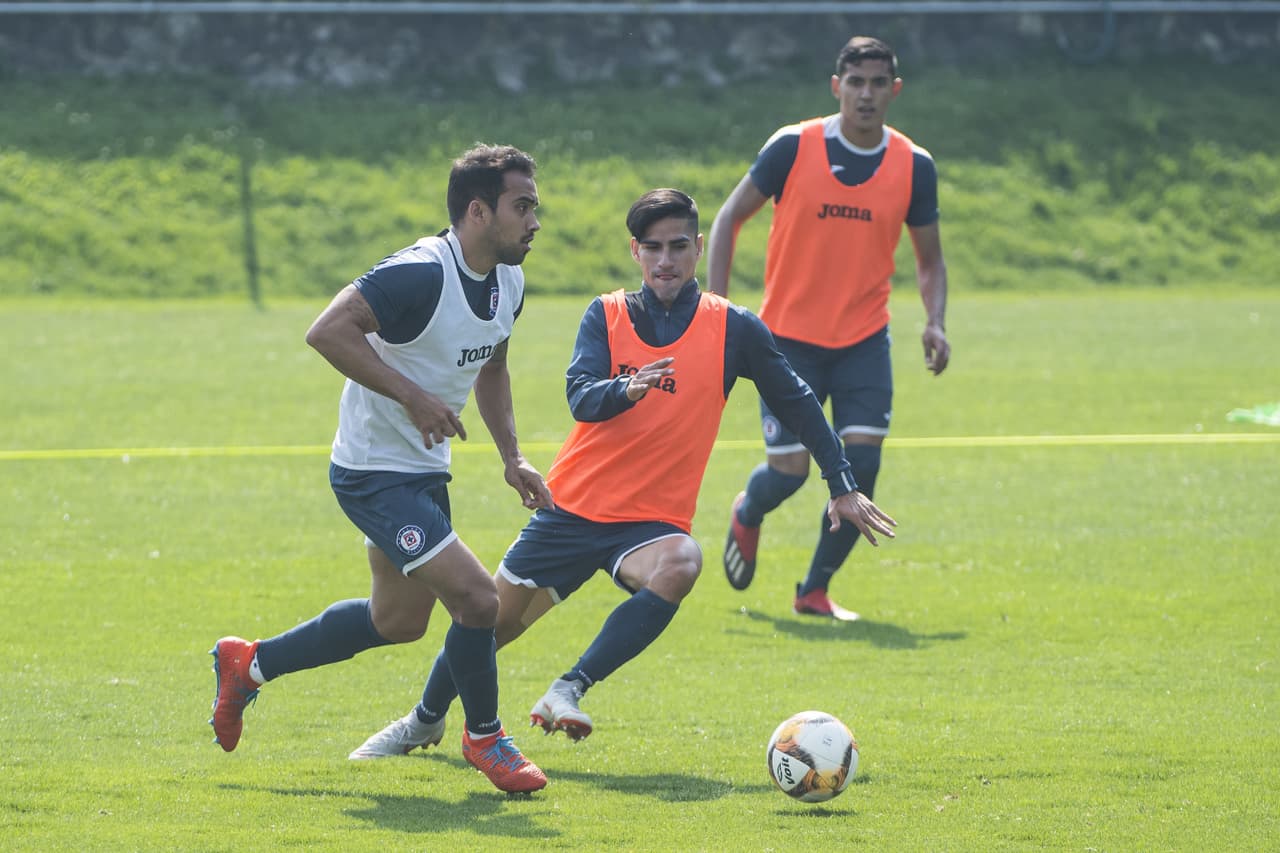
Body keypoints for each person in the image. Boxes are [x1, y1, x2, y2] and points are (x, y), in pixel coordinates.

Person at [347, 188, 896, 756]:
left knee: (683, 560)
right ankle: (424, 720)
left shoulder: (734, 328)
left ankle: (568, 688)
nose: (666, 261)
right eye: (653, 248)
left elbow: (799, 401)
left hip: (649, 526)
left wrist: (841, 485)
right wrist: (625, 389)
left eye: (679, 247)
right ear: (635, 252)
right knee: (486, 624)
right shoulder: (606, 314)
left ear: (698, 248)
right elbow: (580, 397)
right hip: (570, 513)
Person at [208, 144, 553, 794]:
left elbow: (494, 366)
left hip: (423, 467)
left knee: (398, 621)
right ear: (478, 210)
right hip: (371, 470)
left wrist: (513, 457)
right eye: (522, 205)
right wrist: (412, 395)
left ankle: (248, 665)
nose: (535, 220)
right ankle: (485, 737)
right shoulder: (420, 272)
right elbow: (328, 331)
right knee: (479, 599)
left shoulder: (508, 280)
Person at [709, 35, 950, 621]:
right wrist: (713, 310)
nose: (866, 94)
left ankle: (813, 590)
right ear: (836, 86)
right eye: (855, 82)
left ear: (893, 91)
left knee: (861, 468)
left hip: (865, 341)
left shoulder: (914, 166)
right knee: (790, 473)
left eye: (877, 84)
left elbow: (929, 260)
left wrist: (935, 322)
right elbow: (726, 221)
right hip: (786, 341)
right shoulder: (793, 146)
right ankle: (748, 510)